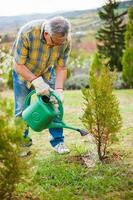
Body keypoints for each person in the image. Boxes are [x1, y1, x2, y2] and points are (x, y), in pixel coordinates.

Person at [11, 16, 71, 154]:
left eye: (59, 43)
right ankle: (22, 144)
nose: (57, 46)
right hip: (22, 73)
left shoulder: (64, 41)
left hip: (46, 72)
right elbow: (18, 64)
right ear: (46, 34)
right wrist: (37, 82)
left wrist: (59, 90)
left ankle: (58, 142)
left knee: (55, 105)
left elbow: (61, 67)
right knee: (21, 108)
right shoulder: (27, 33)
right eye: (54, 43)